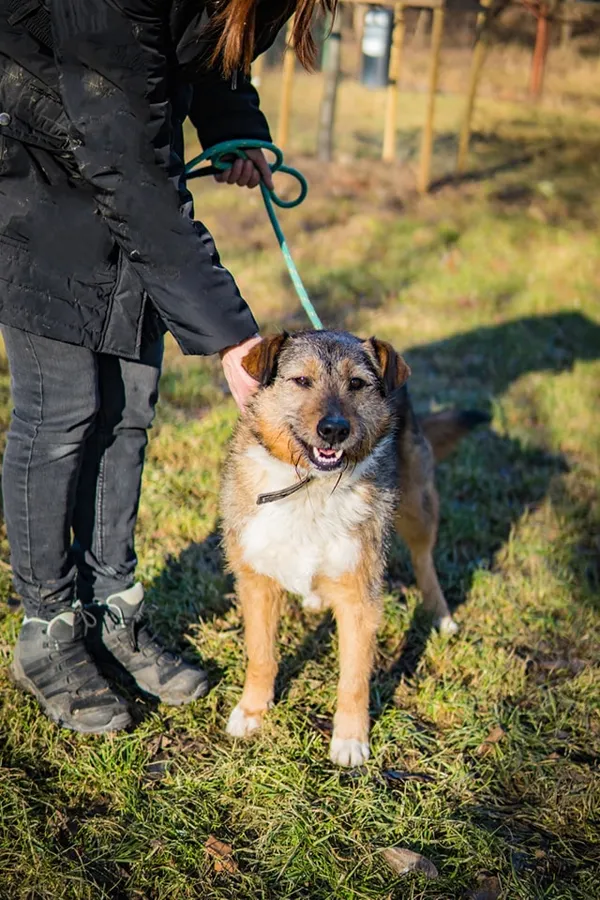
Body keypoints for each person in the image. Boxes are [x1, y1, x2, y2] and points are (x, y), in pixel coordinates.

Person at [0, 0, 334, 733]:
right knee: (63, 411)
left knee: (130, 409)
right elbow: (125, 156)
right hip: (34, 170)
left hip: (129, 180)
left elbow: (208, 44)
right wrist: (229, 338)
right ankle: (49, 629)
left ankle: (112, 604)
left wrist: (233, 124)